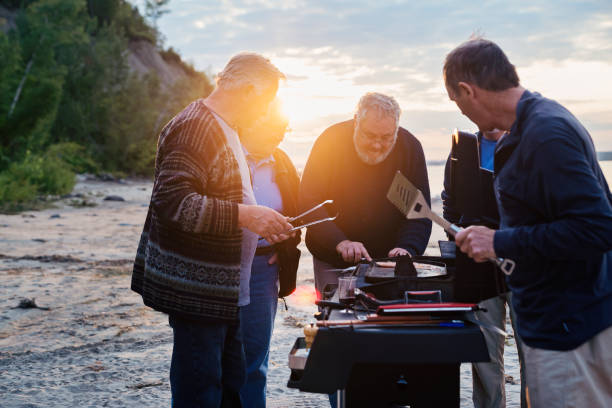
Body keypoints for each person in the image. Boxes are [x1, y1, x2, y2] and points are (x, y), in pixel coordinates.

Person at [444, 37, 612, 407]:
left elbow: (598, 228)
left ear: (467, 90)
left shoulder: (546, 133)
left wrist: (498, 242)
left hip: (570, 333)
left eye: (457, 104)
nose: (462, 115)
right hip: (557, 327)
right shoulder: (532, 126)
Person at [131, 52, 294, 408]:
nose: (265, 111)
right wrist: (246, 216)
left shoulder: (224, 126)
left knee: (229, 386)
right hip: (197, 289)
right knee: (200, 390)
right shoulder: (195, 126)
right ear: (249, 90)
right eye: (265, 100)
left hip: (222, 289)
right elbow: (173, 202)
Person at [299, 92, 432, 296]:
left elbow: (418, 213)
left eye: (387, 137)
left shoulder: (409, 148)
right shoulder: (330, 142)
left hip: (388, 262)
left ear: (396, 128)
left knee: (386, 321)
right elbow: (309, 202)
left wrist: (408, 248)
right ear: (356, 122)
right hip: (331, 254)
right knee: (337, 318)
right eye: (370, 135)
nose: (377, 145)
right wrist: (340, 241)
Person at [442, 128, 527, 408]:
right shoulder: (463, 146)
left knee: (533, 352)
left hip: (523, 265)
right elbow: (450, 201)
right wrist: (459, 237)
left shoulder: (527, 143)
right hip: (477, 266)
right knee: (485, 356)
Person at [238, 101, 301, 408]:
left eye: (281, 131)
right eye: (271, 130)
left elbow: (298, 215)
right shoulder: (227, 156)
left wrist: (286, 246)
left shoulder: (283, 162)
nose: (277, 138)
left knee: (254, 358)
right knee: (214, 358)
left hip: (264, 266)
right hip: (221, 265)